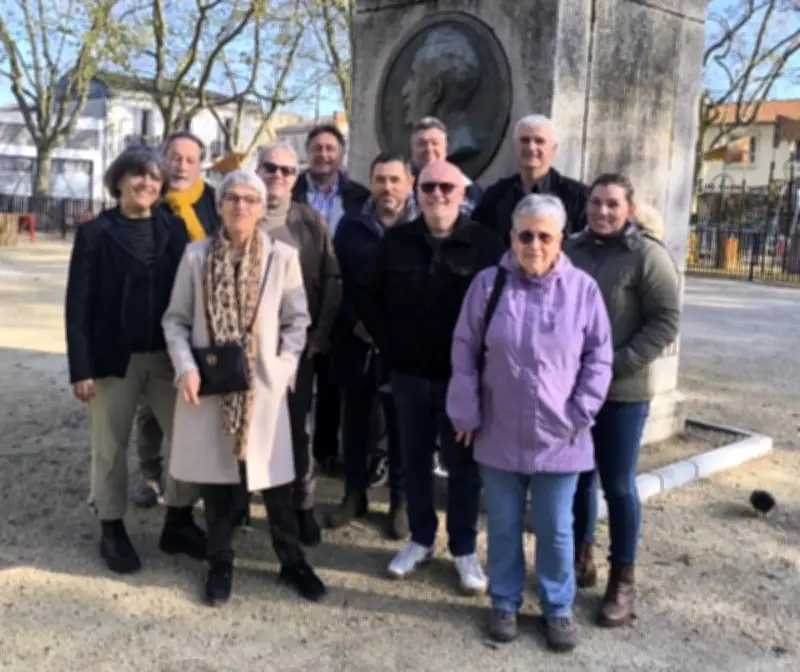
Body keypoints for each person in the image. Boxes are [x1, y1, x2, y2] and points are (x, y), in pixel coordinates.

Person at [446, 194, 613, 651]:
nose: (534, 244)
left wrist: (581, 412)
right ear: (512, 238)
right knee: (501, 523)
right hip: (499, 430)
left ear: (560, 239)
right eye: (526, 235)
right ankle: (505, 601)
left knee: (556, 529)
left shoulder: (583, 290)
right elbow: (463, 348)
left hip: (561, 436)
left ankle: (558, 607)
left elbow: (599, 357)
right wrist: (465, 410)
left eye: (545, 235)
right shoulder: (487, 284)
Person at [162, 169, 326, 606]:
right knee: (218, 481)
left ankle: (291, 561)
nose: (241, 206)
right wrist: (185, 367)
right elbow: (175, 320)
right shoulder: (196, 257)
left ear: (260, 207)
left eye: (250, 200)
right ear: (220, 206)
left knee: (276, 483)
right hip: (213, 385)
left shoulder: (281, 256)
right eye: (232, 198)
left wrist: (282, 365)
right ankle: (220, 562)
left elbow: (297, 320)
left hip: (264, 389)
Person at [359, 160, 505, 591]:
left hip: (462, 381)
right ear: (416, 193)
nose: (437, 195)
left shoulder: (487, 245)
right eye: (428, 187)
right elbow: (368, 295)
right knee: (413, 460)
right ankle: (421, 539)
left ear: (463, 194)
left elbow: (502, 308)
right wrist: (390, 344)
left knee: (463, 466)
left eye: (446, 187)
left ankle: (463, 549)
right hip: (408, 376)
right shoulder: (396, 242)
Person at [64, 146, 206, 574]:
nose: (147, 184)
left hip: (166, 356)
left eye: (154, 178)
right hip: (114, 360)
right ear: (120, 181)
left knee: (188, 437)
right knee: (110, 447)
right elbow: (78, 305)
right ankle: (111, 528)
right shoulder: (95, 234)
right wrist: (81, 367)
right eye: (138, 176)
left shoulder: (175, 229)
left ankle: (178, 519)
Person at [566, 173, 681, 627]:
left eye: (613, 204)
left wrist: (615, 363)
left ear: (629, 209)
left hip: (621, 392)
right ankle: (580, 555)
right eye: (596, 203)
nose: (603, 212)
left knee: (617, 485)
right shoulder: (572, 250)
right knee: (577, 480)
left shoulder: (647, 256)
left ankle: (623, 578)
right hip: (574, 392)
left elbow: (665, 320)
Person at [256, 141, 342, 546]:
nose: (278, 176)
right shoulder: (239, 214)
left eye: (287, 170)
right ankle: (240, 500)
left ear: (297, 177)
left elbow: (331, 278)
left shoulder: (309, 222)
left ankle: (302, 504)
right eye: (270, 168)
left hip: (296, 348)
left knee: (298, 429)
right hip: (247, 350)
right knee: (245, 425)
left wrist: (321, 333)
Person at [327, 152, 415, 538]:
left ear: (409, 184)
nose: (387, 188)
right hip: (357, 341)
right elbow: (336, 280)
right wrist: (353, 321)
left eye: (395, 180)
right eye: (380, 179)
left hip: (402, 347)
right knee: (356, 424)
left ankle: (400, 502)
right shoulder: (351, 226)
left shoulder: (421, 226)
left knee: (402, 428)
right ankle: (354, 494)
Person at [132, 131, 221, 508]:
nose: (182, 166)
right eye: (175, 157)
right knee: (150, 406)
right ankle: (151, 475)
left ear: (201, 164)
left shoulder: (215, 201)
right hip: (154, 316)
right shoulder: (150, 201)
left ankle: (192, 478)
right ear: (163, 159)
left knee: (200, 401)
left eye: (190, 159)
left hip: (204, 318)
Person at [292, 124, 370, 472]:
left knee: (333, 385)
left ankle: (325, 452)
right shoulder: (290, 192)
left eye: (330, 148)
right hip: (298, 298)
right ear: (307, 154)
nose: (323, 155)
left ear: (341, 154)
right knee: (295, 383)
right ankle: (291, 452)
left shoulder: (360, 197)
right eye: (317, 148)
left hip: (344, 300)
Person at [472, 115, 588, 245]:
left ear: (554, 150)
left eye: (539, 141)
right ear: (515, 147)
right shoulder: (496, 195)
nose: (531, 147)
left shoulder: (578, 196)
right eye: (525, 140)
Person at [407, 117, 482, 217]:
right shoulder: (400, 185)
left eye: (435, 143)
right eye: (422, 144)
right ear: (412, 149)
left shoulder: (467, 189)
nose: (429, 149)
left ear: (446, 149)